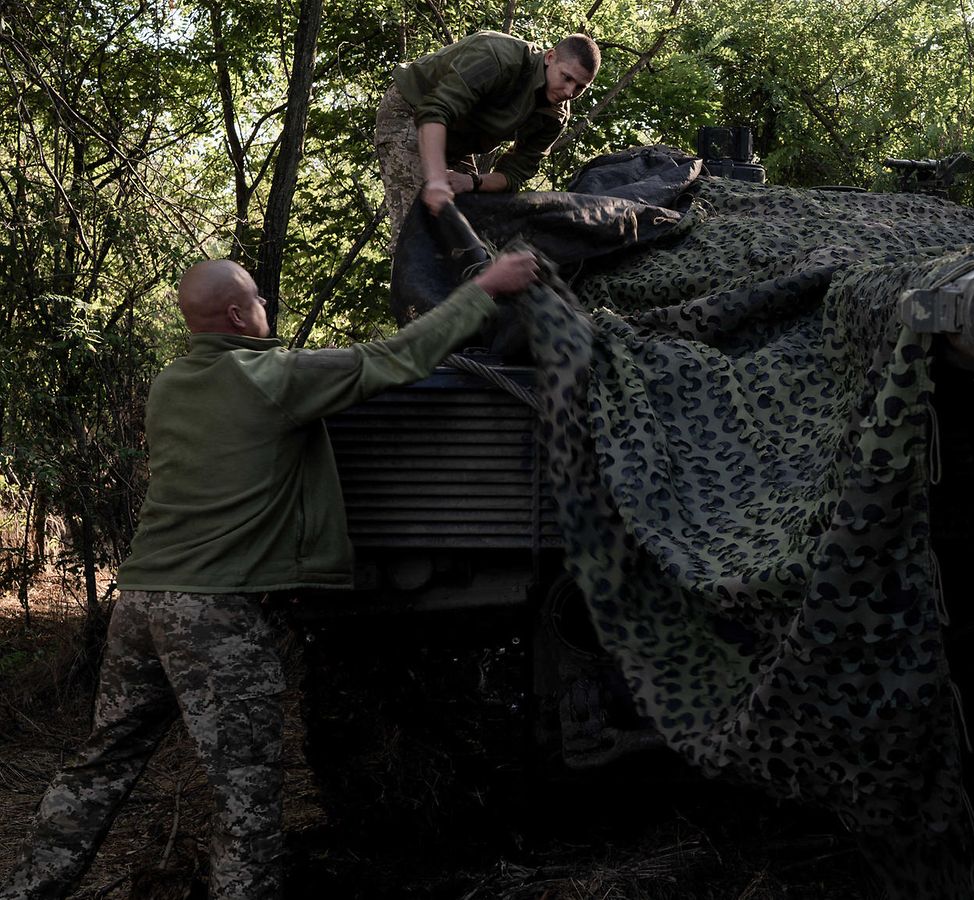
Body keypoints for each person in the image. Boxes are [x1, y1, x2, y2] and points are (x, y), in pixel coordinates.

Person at [0, 249, 541, 900]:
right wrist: (485, 288)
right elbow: (399, 356)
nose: (265, 306)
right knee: (245, 797)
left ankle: (27, 890)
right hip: (212, 614)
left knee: (100, 764)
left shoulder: (170, 383)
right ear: (236, 314)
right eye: (257, 298)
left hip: (140, 601)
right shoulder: (272, 379)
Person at [375, 30, 601, 233]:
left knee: (470, 231)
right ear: (550, 57)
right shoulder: (498, 55)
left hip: (458, 140)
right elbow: (436, 110)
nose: (570, 91)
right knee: (417, 230)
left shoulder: (555, 117)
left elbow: (514, 175)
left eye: (580, 87)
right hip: (411, 110)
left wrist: (472, 182)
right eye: (567, 78)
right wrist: (435, 181)